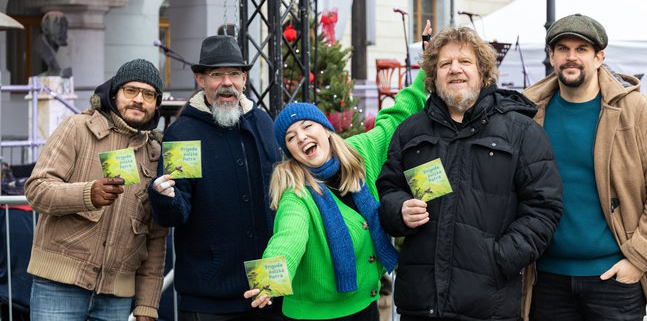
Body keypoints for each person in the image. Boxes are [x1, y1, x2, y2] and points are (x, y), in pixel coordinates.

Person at [376, 26, 563, 320]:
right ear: (433, 75)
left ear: (483, 72)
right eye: (444, 64)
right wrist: (399, 210)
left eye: (464, 62)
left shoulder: (520, 131)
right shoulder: (411, 131)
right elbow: (388, 189)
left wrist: (499, 258)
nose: (454, 70)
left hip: (489, 305)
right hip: (420, 303)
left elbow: (544, 208)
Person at [243, 67, 428, 320]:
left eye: (307, 126)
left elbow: (394, 118)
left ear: (326, 129)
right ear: (290, 152)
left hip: (365, 306)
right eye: (290, 137)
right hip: (313, 315)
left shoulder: (360, 152)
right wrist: (268, 281)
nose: (301, 137)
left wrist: (425, 69)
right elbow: (288, 238)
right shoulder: (296, 194)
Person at [522, 13, 647, 321]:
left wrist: (637, 259)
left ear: (599, 57)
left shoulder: (634, 110)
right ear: (551, 56)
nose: (571, 57)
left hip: (614, 279)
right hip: (546, 281)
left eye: (581, 49)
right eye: (563, 49)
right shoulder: (528, 114)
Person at [148, 35, 281, 320]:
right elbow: (177, 212)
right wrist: (164, 198)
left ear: (244, 80)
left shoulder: (263, 124)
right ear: (200, 80)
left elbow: (281, 195)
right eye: (216, 74)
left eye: (234, 73)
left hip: (268, 289)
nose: (227, 82)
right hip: (210, 298)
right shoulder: (184, 134)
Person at [24, 59, 168, 321]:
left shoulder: (155, 154)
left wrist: (147, 306)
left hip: (116, 298)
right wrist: (87, 195)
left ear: (156, 104)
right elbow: (37, 189)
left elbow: (155, 238)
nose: (139, 99)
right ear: (114, 94)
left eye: (148, 94)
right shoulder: (77, 128)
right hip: (59, 287)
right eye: (131, 91)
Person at [33, 10, 71, 77]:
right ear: (46, 28)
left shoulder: (56, 48)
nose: (64, 30)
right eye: (59, 25)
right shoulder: (40, 47)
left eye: (65, 26)